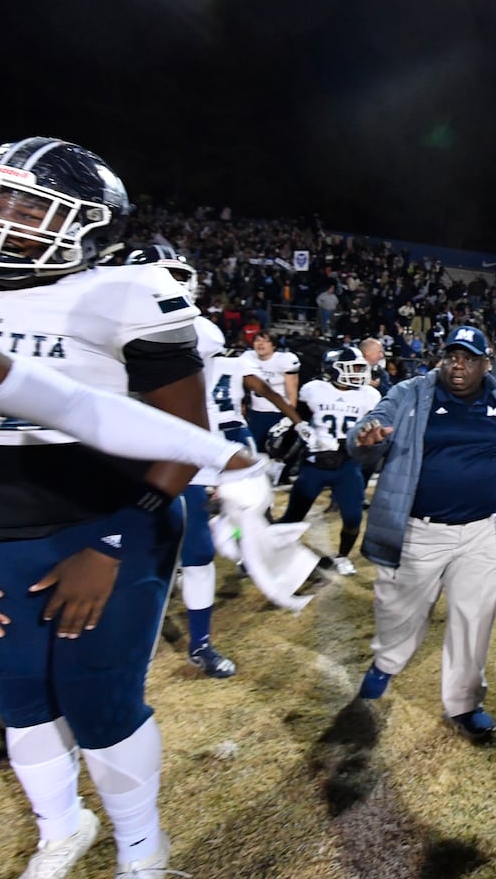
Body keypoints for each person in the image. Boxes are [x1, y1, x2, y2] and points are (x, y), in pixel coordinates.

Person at [0, 65, 264, 879]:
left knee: (97, 699)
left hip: (109, 521)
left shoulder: (130, 292)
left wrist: (114, 540)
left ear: (85, 227)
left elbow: (181, 429)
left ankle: (142, 854)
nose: (3, 213)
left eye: (28, 203)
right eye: (0, 193)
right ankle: (62, 829)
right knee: (17, 694)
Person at [346, 326, 496, 740]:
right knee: (399, 613)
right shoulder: (410, 393)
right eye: (452, 356)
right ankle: (386, 661)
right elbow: (373, 426)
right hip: (420, 530)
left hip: (482, 531)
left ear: (484, 364)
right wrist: (365, 439)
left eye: (469, 358)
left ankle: (464, 703)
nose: (459, 365)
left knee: (475, 618)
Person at [124, 245, 304, 680]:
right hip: (122, 457)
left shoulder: (200, 332)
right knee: (129, 554)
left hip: (176, 454)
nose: (172, 287)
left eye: (176, 276)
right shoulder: (99, 321)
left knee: (197, 552)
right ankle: (128, 641)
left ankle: (199, 642)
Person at [275, 347, 381, 575]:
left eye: (360, 368)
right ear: (333, 369)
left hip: (347, 464)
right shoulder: (313, 390)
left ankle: (342, 557)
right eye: (352, 368)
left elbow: (373, 429)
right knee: (293, 516)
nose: (358, 373)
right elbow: (300, 419)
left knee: (353, 517)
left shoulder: (369, 395)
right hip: (315, 462)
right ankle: (268, 551)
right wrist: (296, 431)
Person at [241, 330, 301, 452]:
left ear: (273, 345)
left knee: (273, 452)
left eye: (266, 341)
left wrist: (288, 418)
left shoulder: (284, 360)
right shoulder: (248, 358)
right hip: (255, 413)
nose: (260, 344)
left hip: (277, 413)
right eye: (257, 340)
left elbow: (292, 393)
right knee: (253, 450)